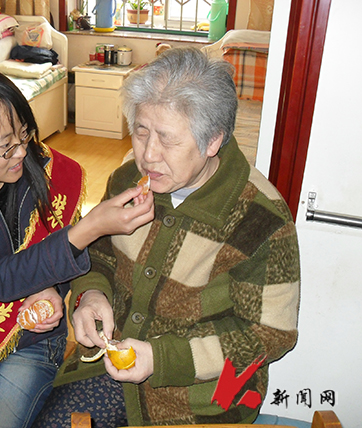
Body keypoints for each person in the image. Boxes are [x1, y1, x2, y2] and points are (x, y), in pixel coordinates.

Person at [33, 47, 301, 427]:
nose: (148, 155)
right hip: (108, 368)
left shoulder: (261, 220)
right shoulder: (128, 180)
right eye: (141, 132)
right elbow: (99, 253)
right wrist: (91, 293)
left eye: (168, 140)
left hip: (203, 397)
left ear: (213, 141)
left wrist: (161, 359)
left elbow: (270, 333)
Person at [0, 64, 154, 428]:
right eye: (6, 146)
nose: (22, 151)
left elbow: (72, 262)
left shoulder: (51, 171)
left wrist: (54, 290)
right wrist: (90, 227)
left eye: (24, 133)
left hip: (34, 339)